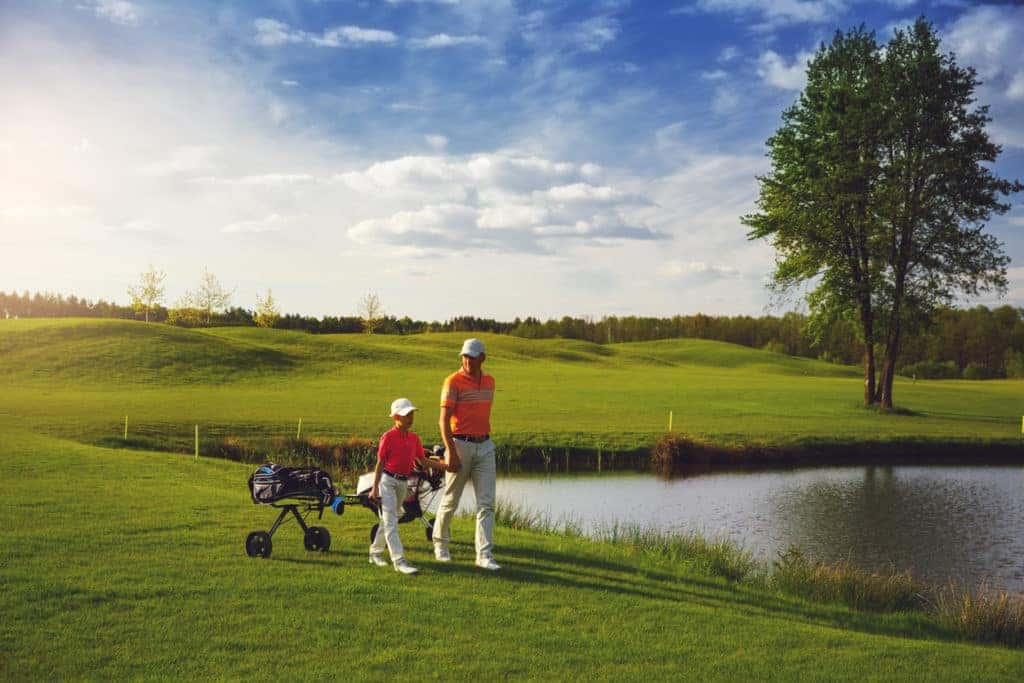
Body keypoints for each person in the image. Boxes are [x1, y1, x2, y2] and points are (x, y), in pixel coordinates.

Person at [432, 338, 500, 570]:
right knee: (451, 499)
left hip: (485, 445)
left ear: (482, 357)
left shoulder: (490, 382)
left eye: (472, 356)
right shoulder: (453, 381)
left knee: (487, 504)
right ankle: (440, 545)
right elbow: (443, 420)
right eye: (464, 356)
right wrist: (450, 451)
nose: (467, 360)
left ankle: (484, 555)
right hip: (460, 444)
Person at [369, 398, 446, 575]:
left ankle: (375, 553)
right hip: (388, 482)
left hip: (403, 484)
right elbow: (380, 464)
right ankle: (399, 560)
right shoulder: (388, 437)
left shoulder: (414, 438)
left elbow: (423, 461)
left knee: (390, 519)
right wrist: (374, 489)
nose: (410, 418)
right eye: (406, 415)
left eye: (411, 414)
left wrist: (447, 466)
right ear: (395, 417)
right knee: (390, 522)